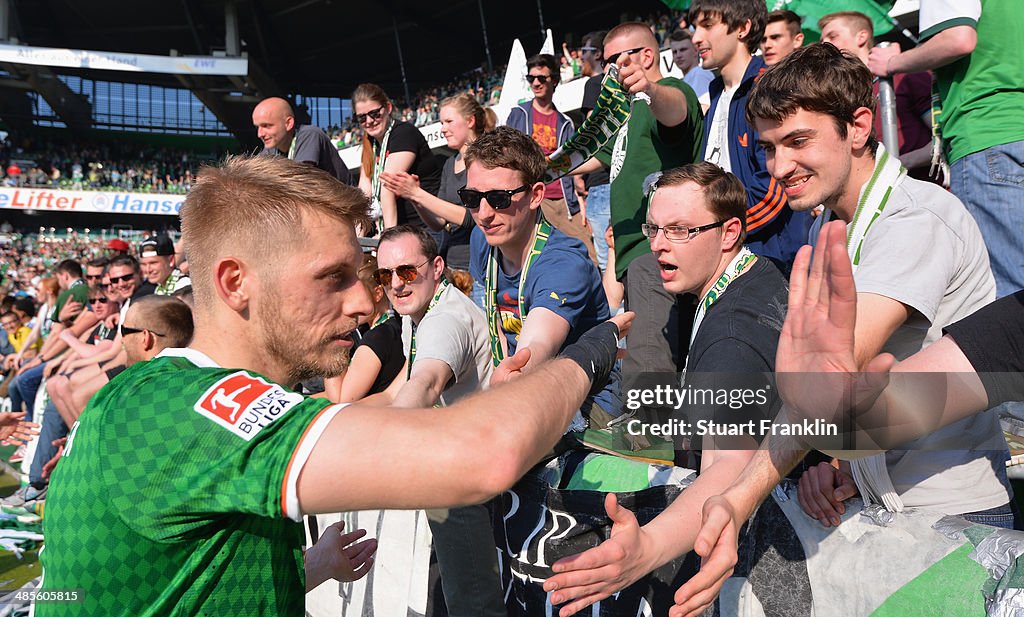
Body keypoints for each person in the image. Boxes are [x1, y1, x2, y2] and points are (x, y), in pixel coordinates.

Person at [37, 155, 631, 615]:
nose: (361, 300)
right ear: (237, 282)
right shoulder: (189, 407)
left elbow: (182, 571)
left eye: (363, 274)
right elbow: (486, 454)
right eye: (334, 277)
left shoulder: (168, 398)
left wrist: (301, 566)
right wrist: (592, 351)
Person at [542, 163, 790, 615]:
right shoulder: (747, 278)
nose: (658, 245)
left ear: (729, 231)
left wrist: (648, 549)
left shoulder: (732, 335)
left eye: (679, 230)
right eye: (654, 228)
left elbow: (727, 467)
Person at [375, 225, 503, 617]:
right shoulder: (421, 310)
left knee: (473, 603)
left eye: (407, 272)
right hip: (459, 458)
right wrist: (333, 417)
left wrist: (380, 443)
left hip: (464, 472)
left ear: (437, 267)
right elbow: (401, 389)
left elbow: (427, 383)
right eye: (385, 275)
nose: (396, 284)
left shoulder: (445, 320)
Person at [868, 0, 1024, 299]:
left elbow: (958, 39)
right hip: (1004, 134)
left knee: (1009, 296)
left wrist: (892, 63)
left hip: (986, 134)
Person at [576, 21, 703, 380]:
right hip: (635, 251)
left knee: (649, 359)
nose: (608, 71)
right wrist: (541, 170)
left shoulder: (667, 91)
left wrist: (649, 88)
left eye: (616, 60)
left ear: (647, 56)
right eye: (606, 63)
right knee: (654, 348)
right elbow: (596, 155)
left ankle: (649, 429)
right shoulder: (628, 112)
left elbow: (676, 109)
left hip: (657, 246)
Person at [690, 0, 809, 269]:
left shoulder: (769, 87)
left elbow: (775, 186)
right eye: (695, 27)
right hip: (729, 258)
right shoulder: (717, 94)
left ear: (743, 28)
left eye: (707, 25)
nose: (696, 38)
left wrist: (715, 233)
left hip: (772, 262)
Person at [381, 92, 497, 306]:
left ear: (470, 121)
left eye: (449, 121)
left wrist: (418, 194)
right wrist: (415, 197)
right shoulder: (449, 164)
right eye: (442, 122)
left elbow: (472, 217)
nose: (443, 128)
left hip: (482, 266)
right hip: (454, 266)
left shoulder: (485, 159)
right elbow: (439, 222)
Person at [819, 11, 936, 181]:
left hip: (923, 191)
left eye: (832, 36)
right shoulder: (840, 96)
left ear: (861, 37)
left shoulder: (905, 76)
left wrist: (898, 164)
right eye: (822, 40)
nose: (825, 44)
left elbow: (943, 139)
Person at [506, 54, 598, 264]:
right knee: (542, 259)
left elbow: (573, 165)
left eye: (542, 78)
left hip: (565, 201)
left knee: (589, 257)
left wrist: (580, 204)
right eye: (531, 79)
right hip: (534, 198)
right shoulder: (519, 114)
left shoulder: (565, 122)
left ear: (554, 80)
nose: (536, 83)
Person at [354, 83, 442, 231]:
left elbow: (388, 186)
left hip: (425, 227)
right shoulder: (370, 144)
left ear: (388, 108)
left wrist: (388, 238)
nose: (369, 121)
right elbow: (364, 195)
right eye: (362, 118)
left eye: (374, 113)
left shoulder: (403, 133)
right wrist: (357, 238)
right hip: (402, 228)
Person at [323, 253, 403, 402]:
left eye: (354, 296)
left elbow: (339, 401)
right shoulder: (395, 324)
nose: (347, 307)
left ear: (378, 293)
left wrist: (333, 342)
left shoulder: (378, 337)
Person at [252, 96, 351, 184]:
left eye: (266, 126)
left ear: (288, 123)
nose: (260, 134)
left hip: (345, 203)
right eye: (257, 127)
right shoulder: (270, 149)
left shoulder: (310, 135)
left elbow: (300, 181)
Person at [668, 28, 714, 109]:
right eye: (675, 52)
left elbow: (705, 110)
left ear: (696, 51)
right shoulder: (689, 78)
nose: (678, 55)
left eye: (683, 50)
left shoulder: (699, 74)